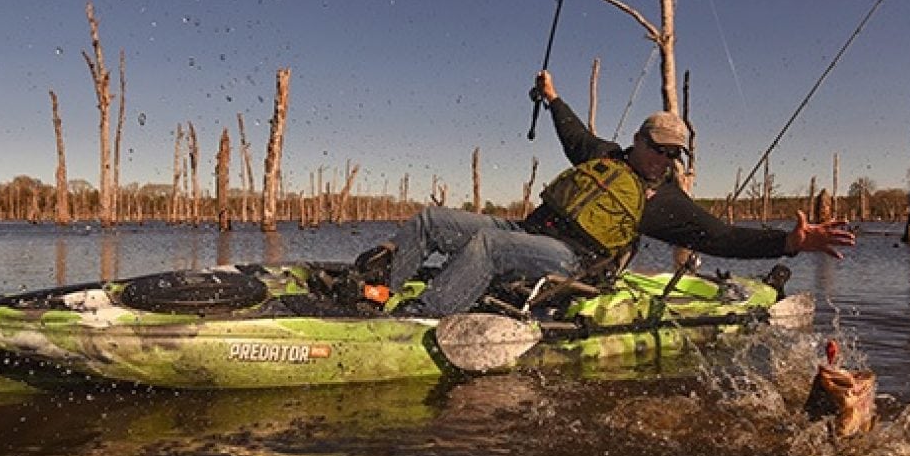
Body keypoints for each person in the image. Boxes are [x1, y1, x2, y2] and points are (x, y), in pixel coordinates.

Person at [354, 69, 855, 316]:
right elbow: (573, 132)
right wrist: (551, 98)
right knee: (430, 221)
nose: (663, 159)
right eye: (657, 148)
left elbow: (722, 238)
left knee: (486, 246)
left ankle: (419, 322)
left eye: (672, 154)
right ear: (638, 140)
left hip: (571, 260)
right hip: (528, 230)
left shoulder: (666, 201)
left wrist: (790, 244)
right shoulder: (605, 156)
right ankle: (386, 294)